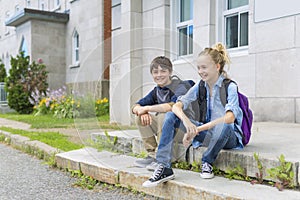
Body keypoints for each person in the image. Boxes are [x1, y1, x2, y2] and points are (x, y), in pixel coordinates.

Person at [142, 43, 244, 187]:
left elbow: (229, 118)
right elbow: (177, 106)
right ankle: (164, 166)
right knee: (172, 115)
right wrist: (188, 124)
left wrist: (197, 130)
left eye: (204, 67)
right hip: (207, 133)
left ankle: (207, 161)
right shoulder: (200, 85)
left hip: (227, 136)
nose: (200, 71)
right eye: (198, 68)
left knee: (224, 126)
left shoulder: (230, 86)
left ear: (217, 67)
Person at [132, 56, 194, 171]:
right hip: (167, 129)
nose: (159, 75)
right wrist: (141, 111)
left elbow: (171, 106)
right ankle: (152, 155)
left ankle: (162, 157)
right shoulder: (157, 90)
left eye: (163, 71)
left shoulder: (181, 86)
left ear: (170, 72)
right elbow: (135, 106)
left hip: (183, 129)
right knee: (140, 117)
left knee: (164, 115)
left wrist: (147, 108)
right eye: (155, 72)